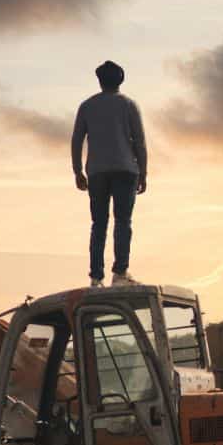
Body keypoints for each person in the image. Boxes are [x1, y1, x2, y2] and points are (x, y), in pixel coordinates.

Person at [71, 60, 147, 287]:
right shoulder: (129, 105)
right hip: (126, 169)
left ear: (100, 80)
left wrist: (77, 170)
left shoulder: (87, 106)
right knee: (123, 221)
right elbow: (140, 142)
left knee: (99, 224)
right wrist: (143, 172)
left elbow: (77, 140)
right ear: (121, 79)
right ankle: (120, 273)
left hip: (97, 171)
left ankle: (96, 277)